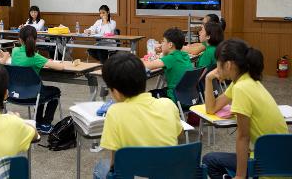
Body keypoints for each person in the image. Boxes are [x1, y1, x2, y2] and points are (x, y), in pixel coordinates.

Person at [202, 39, 288, 179]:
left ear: (228, 65)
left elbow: (243, 137)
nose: (216, 67)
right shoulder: (245, 80)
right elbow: (212, 108)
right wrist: (208, 79)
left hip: (267, 165)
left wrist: (240, 176)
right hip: (282, 160)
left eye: (218, 62)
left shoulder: (241, 88)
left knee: (209, 161)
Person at [93, 52, 182, 178]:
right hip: (169, 172)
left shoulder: (114, 112)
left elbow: (115, 162)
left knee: (101, 167)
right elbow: (178, 133)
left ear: (116, 92)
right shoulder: (168, 104)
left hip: (135, 173)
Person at [11, 25, 64, 134]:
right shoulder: (35, 57)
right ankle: (45, 124)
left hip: (15, 94)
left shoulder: (15, 51)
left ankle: (38, 121)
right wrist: (47, 61)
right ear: (35, 40)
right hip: (32, 95)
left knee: (41, 88)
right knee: (55, 91)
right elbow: (60, 67)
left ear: (20, 40)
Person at [143, 27, 193, 102]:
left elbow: (148, 65)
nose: (161, 44)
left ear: (170, 45)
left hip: (175, 97)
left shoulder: (170, 59)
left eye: (163, 41)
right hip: (189, 96)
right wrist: (163, 52)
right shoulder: (185, 55)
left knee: (145, 96)